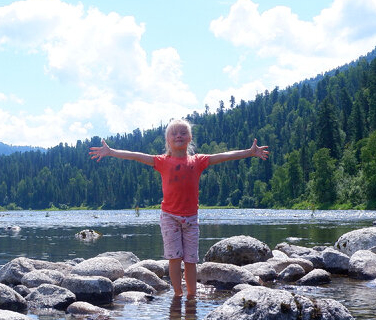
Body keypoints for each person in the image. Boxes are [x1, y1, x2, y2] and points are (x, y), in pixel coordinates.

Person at [88, 118, 269, 298]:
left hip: (191, 219)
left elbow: (224, 156)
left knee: (190, 260)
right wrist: (111, 151)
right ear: (168, 140)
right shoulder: (161, 161)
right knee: (174, 259)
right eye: (174, 133)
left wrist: (249, 152)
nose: (178, 136)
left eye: (183, 132)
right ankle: (177, 295)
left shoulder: (198, 161)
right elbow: (135, 155)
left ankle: (191, 296)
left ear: (190, 138)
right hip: (169, 217)